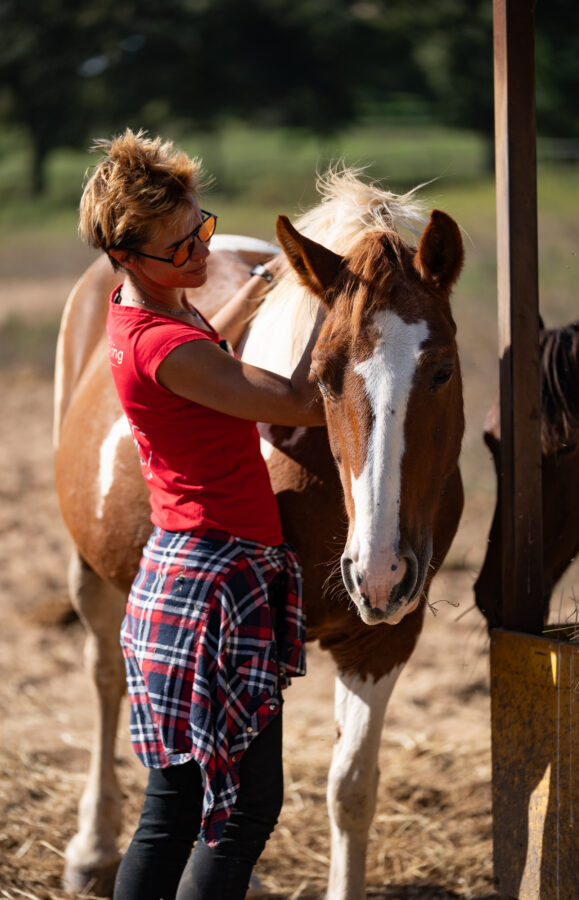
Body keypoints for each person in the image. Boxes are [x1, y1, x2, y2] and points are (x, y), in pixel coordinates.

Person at [78, 128, 324, 900]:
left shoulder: (150, 313)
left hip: (189, 576)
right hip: (214, 588)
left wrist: (260, 286)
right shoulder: (163, 349)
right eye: (176, 249)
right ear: (123, 255)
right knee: (242, 811)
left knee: (178, 806)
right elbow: (291, 404)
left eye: (200, 231)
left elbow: (208, 330)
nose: (198, 257)